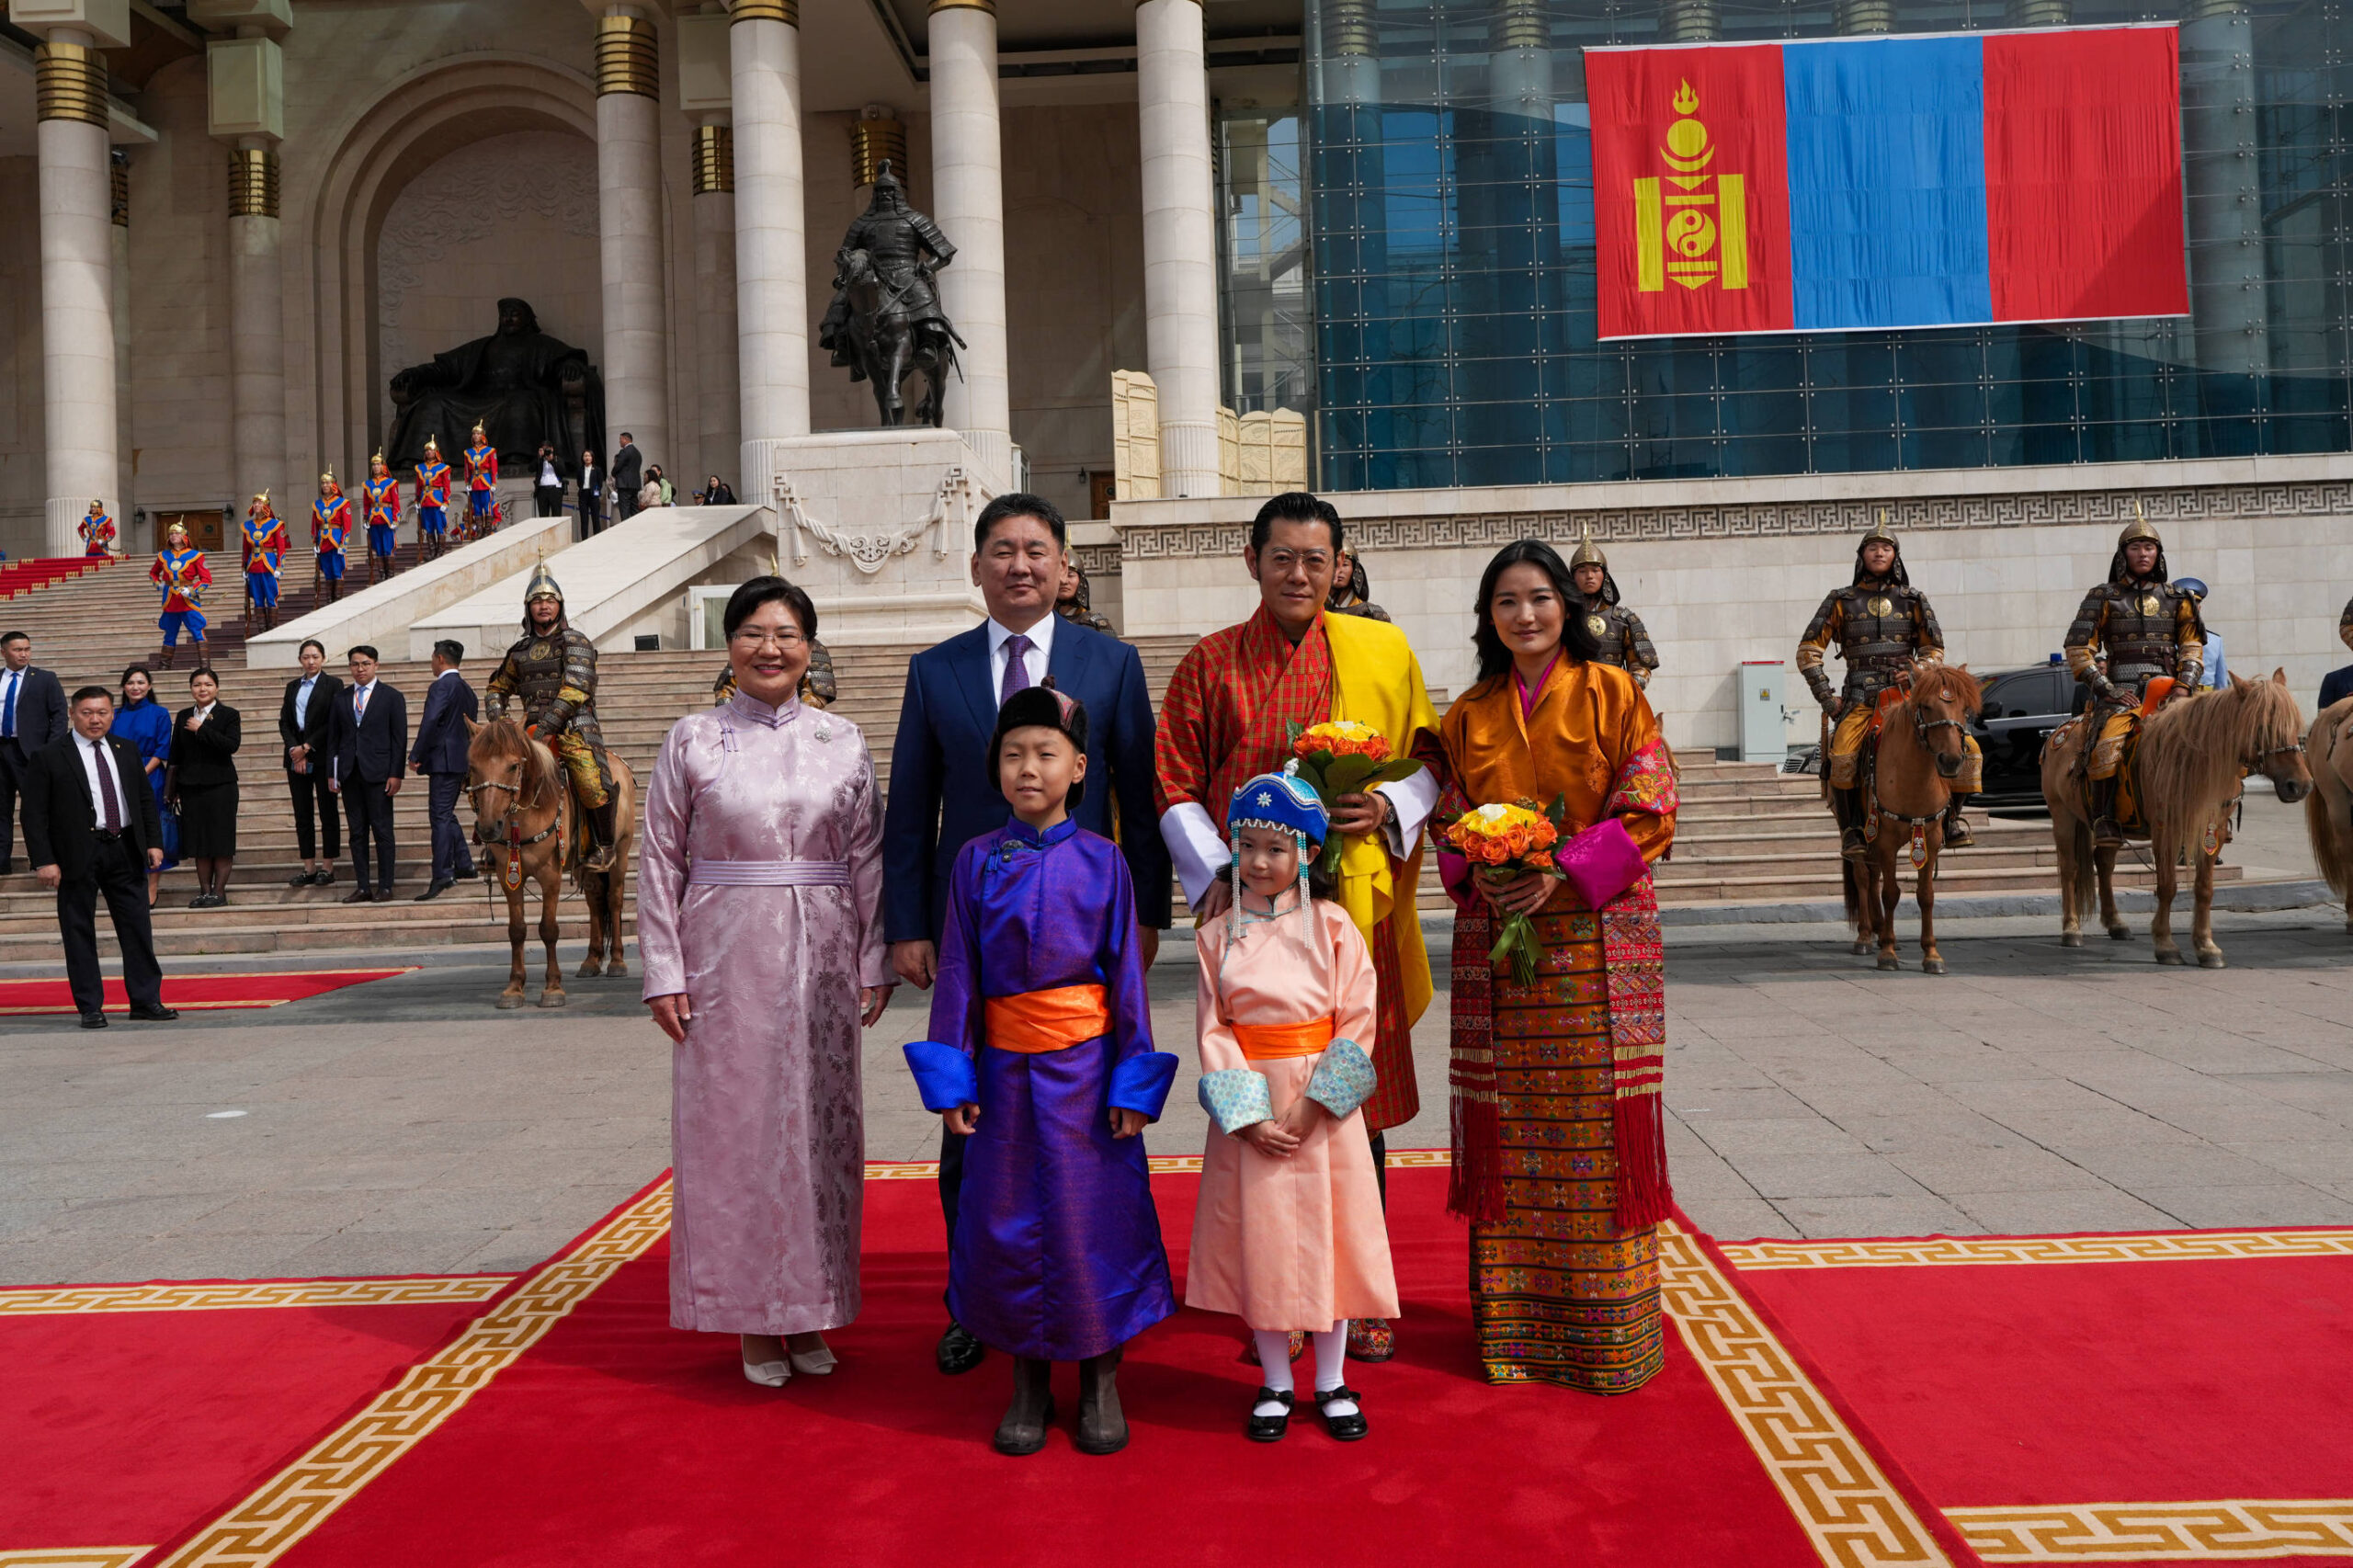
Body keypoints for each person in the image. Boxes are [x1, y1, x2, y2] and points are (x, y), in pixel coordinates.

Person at [881, 491, 1172, 1377]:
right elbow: (910, 807)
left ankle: (1097, 1303)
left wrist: (1149, 913)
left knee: (1087, 1147)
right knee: (972, 1137)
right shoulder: (937, 671)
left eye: (1036, 550)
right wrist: (910, 924)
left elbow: (1140, 791)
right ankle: (976, 1303)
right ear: (976, 568)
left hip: (1079, 928)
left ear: (1064, 566)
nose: (1019, 566)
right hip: (977, 930)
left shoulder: (1110, 663)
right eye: (1001, 551)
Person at [1154, 490, 1438, 1363]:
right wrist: (1220, 877)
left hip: (1348, 911)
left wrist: (1384, 801)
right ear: (1252, 561)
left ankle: (1358, 1294)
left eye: (1317, 560)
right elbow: (1172, 781)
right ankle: (1267, 1298)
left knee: (1362, 1104)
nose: (1300, 574)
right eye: (1283, 557)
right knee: (1258, 1106)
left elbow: (1431, 760)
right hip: (1247, 919)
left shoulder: (1376, 651)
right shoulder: (1209, 663)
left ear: (1340, 568)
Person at [1415, 539, 1678, 1391]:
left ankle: (1607, 1342)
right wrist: (1487, 869)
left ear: (1567, 605)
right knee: (1515, 1132)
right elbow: (1448, 812)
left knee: (1597, 1133)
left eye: (1539, 598)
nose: (1524, 615)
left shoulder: (1615, 691)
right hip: (1503, 948)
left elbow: (1651, 800)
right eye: (1506, 603)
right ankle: (1518, 1337)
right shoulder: (1470, 710)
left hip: (1596, 946)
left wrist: (1560, 874)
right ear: (1489, 619)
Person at [903, 684, 1178, 1457]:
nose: (1029, 769)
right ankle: (1026, 1380)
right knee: (1008, 1220)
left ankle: (1098, 1375)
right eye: (1013, 754)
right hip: (1004, 1079)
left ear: (1079, 767)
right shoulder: (972, 862)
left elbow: (1127, 978)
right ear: (995, 769)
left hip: (1090, 1080)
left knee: (1095, 1219)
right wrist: (953, 1080)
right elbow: (957, 972)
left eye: (1045, 754)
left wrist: (1133, 1086)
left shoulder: (1106, 862)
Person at [638, 577, 894, 1390]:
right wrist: (663, 969)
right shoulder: (692, 740)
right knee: (737, 1137)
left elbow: (868, 858)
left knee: (821, 1135)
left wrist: (872, 957)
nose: (770, 648)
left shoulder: (843, 741)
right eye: (752, 632)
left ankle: (814, 1307)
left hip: (822, 954)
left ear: (810, 647)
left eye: (786, 633)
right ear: (729, 645)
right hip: (724, 951)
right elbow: (656, 859)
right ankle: (750, 1318)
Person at [1189, 769, 1395, 1444]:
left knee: (1331, 1242)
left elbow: (1359, 1018)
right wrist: (1250, 1118)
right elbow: (1213, 1028)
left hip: (1322, 1113)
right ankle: (1276, 1382)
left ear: (1307, 853)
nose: (1259, 862)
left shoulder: (1333, 927)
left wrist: (1315, 1108)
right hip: (1253, 1109)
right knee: (1265, 1243)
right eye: (1247, 846)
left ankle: (1331, 1381)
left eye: (1276, 849)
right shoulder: (1218, 934)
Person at [1796, 518, 1978, 857]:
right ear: (1861, 554)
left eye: (1886, 547)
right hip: (1860, 700)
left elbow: (1934, 650)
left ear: (1896, 556)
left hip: (1909, 700)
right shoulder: (1840, 600)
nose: (1879, 552)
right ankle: (1852, 830)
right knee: (1843, 756)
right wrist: (1827, 698)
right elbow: (1808, 652)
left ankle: (1951, 819)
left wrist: (1918, 671)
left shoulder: (1914, 599)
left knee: (1971, 752)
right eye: (1872, 547)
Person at [22, 687, 176, 1029]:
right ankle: (90, 1005)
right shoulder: (49, 756)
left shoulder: (126, 750)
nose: (95, 719)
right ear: (74, 714)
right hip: (77, 853)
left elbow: (143, 800)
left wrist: (153, 842)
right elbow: (33, 814)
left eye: (103, 712)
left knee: (137, 927)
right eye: (88, 713)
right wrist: (44, 860)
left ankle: (145, 999)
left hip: (124, 848)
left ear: (112, 714)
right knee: (79, 930)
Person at [2065, 515, 2204, 848]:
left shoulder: (2179, 597)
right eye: (2136, 547)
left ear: (2159, 554)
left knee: (2213, 740)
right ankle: (2104, 817)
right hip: (2121, 693)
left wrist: (2183, 687)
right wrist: (2107, 690)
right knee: (2108, 747)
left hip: (2172, 690)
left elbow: (2192, 647)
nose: (2143, 553)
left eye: (2150, 547)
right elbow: (2078, 649)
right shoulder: (2103, 596)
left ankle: (2212, 814)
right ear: (2122, 554)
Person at [486, 562, 620, 869]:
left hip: (575, 729)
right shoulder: (519, 651)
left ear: (559, 606)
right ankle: (493, 840)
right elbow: (497, 687)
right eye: (537, 600)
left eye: (549, 600)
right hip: (529, 733)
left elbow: (574, 689)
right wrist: (499, 721)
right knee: (492, 775)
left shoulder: (575, 642)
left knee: (589, 780)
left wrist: (547, 728)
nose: (543, 605)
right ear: (528, 608)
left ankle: (605, 844)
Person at [327, 644, 407, 902]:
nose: (360, 669)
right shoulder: (341, 698)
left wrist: (396, 774)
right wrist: (333, 772)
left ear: (376, 665)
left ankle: (385, 886)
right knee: (357, 832)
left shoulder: (391, 697)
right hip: (350, 773)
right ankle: (363, 886)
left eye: (365, 664)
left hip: (380, 773)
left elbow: (399, 740)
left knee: (382, 831)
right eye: (354, 664)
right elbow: (333, 738)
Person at [165, 667, 242, 909]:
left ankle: (219, 893)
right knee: (199, 842)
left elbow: (231, 745)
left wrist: (202, 729)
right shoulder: (184, 715)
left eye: (208, 684)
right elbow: (175, 753)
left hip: (221, 786)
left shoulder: (228, 714)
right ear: (191, 689)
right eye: (197, 684)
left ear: (216, 688)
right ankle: (205, 892)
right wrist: (173, 787)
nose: (202, 689)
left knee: (221, 841)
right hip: (191, 788)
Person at [409, 638, 479, 900]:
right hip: (460, 760)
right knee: (445, 813)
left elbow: (430, 721)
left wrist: (416, 753)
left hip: (442, 759)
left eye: (432, 658)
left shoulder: (441, 686)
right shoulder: (467, 689)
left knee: (439, 816)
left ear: (439, 659)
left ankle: (442, 873)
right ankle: (464, 863)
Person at [0, 631, 69, 875]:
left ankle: (40, 857)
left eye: (27, 649)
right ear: (4, 652)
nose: (24, 654)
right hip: (1, 749)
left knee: (36, 808)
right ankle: (2, 861)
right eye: (18, 650)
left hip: (31, 752)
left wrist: (50, 750)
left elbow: (60, 715)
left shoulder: (44, 678)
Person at [110, 665, 177, 905]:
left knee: (152, 829)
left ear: (149, 686)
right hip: (117, 777)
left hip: (151, 778)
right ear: (123, 687)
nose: (135, 687)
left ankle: (151, 886)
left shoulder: (159, 713)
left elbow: (161, 750)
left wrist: (139, 774)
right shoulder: (115, 715)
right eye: (130, 683)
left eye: (140, 682)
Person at [278, 639, 343, 888]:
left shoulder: (333, 684)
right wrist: (295, 748)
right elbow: (284, 720)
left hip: (322, 755)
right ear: (300, 660)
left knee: (328, 812)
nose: (311, 661)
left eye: (315, 656)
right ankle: (309, 867)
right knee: (302, 814)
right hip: (295, 756)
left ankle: (327, 867)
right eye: (306, 657)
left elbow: (332, 721)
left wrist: (307, 747)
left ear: (323, 658)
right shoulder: (293, 686)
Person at [1568, 528, 1659, 688]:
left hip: (1614, 693)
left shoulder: (1624, 618)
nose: (1589, 576)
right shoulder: (1563, 617)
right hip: (1571, 695)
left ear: (1604, 575)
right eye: (1582, 571)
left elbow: (1641, 664)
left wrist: (1631, 687)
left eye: (1595, 570)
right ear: (1572, 577)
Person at [151, 520, 211, 671]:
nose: (173, 536)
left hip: (187, 599)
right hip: (170, 599)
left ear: (184, 536)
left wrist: (193, 590)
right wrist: (158, 584)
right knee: (170, 634)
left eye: (176, 533)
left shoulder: (196, 556)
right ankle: (164, 666)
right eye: (171, 533)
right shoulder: (163, 555)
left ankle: (205, 666)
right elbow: (153, 573)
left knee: (197, 630)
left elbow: (206, 580)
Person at [242, 492, 288, 634]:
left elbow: (281, 548)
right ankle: (262, 629)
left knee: (271, 596)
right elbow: (245, 549)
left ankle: (272, 628)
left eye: (260, 503)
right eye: (254, 502)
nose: (256, 505)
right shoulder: (247, 525)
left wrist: (280, 566)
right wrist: (243, 567)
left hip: (268, 563)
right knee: (257, 599)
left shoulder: (275, 524)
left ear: (266, 506)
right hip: (253, 565)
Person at [2175, 577, 2225, 689]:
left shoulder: (2215, 640)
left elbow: (2221, 683)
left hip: (2207, 703)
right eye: (2186, 605)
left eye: (2194, 604)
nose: (2190, 609)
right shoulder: (2166, 639)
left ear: (2199, 608)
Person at [312, 468, 352, 606]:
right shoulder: (317, 504)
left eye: (327, 483)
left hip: (335, 539)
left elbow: (347, 525)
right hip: (322, 540)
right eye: (323, 483)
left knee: (336, 569)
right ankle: (330, 598)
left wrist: (344, 544)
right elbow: (314, 526)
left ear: (334, 485)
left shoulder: (343, 502)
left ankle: (338, 598)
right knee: (327, 570)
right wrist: (314, 543)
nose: (324, 486)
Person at [361, 451, 402, 585]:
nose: (375, 467)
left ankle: (390, 574)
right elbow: (366, 504)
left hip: (387, 517)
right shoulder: (367, 484)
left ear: (383, 466)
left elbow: (396, 503)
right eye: (373, 465)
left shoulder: (391, 482)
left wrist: (396, 519)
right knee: (378, 547)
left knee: (387, 546)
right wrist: (365, 518)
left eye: (378, 464)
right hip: (373, 518)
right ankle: (382, 575)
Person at [1325, 544, 1391, 622]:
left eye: (1345, 564)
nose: (1339, 570)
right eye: (1334, 565)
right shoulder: (1314, 613)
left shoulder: (1373, 614)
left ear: (1355, 569)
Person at [415, 436, 454, 560]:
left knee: (439, 526)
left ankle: (440, 551)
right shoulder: (420, 468)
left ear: (435, 452)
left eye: (430, 450)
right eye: (426, 450)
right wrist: (417, 500)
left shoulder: (443, 468)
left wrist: (446, 502)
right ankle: (432, 552)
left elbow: (447, 487)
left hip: (437, 499)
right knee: (428, 527)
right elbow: (418, 486)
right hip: (424, 500)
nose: (428, 452)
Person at [1054, 558, 1115, 634]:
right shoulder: (1041, 622)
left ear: (1081, 581)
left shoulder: (1097, 623)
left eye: (1070, 575)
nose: (1064, 581)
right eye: (1059, 576)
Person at [463, 421, 499, 537]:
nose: (475, 436)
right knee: (476, 506)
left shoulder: (490, 450)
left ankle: (487, 529)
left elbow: (494, 468)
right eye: (474, 434)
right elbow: (467, 470)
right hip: (474, 481)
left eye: (478, 434)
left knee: (487, 505)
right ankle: (479, 530)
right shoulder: (468, 452)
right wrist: (467, 483)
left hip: (485, 480)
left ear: (482, 436)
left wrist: (494, 482)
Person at [612, 432, 643, 522]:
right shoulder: (638, 453)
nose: (619, 442)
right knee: (635, 510)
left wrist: (613, 473)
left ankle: (626, 531)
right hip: (635, 485)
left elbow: (617, 466)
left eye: (620, 439)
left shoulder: (624, 452)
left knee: (624, 511)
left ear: (625, 439)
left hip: (624, 485)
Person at [577, 449, 606, 538]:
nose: (587, 458)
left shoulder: (597, 469)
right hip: (583, 495)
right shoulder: (580, 469)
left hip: (593, 495)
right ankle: (584, 539)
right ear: (582, 458)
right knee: (584, 519)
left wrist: (596, 494)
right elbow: (579, 482)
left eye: (589, 456)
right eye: (585, 456)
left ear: (592, 458)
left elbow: (599, 483)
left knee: (595, 518)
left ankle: (596, 538)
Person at [533, 441, 564, 519]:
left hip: (555, 489)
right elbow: (530, 468)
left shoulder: (557, 459)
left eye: (547, 449)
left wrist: (552, 460)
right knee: (543, 516)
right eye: (543, 449)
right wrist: (539, 458)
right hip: (542, 490)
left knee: (556, 515)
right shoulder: (540, 460)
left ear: (552, 449)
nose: (546, 451)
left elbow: (563, 472)